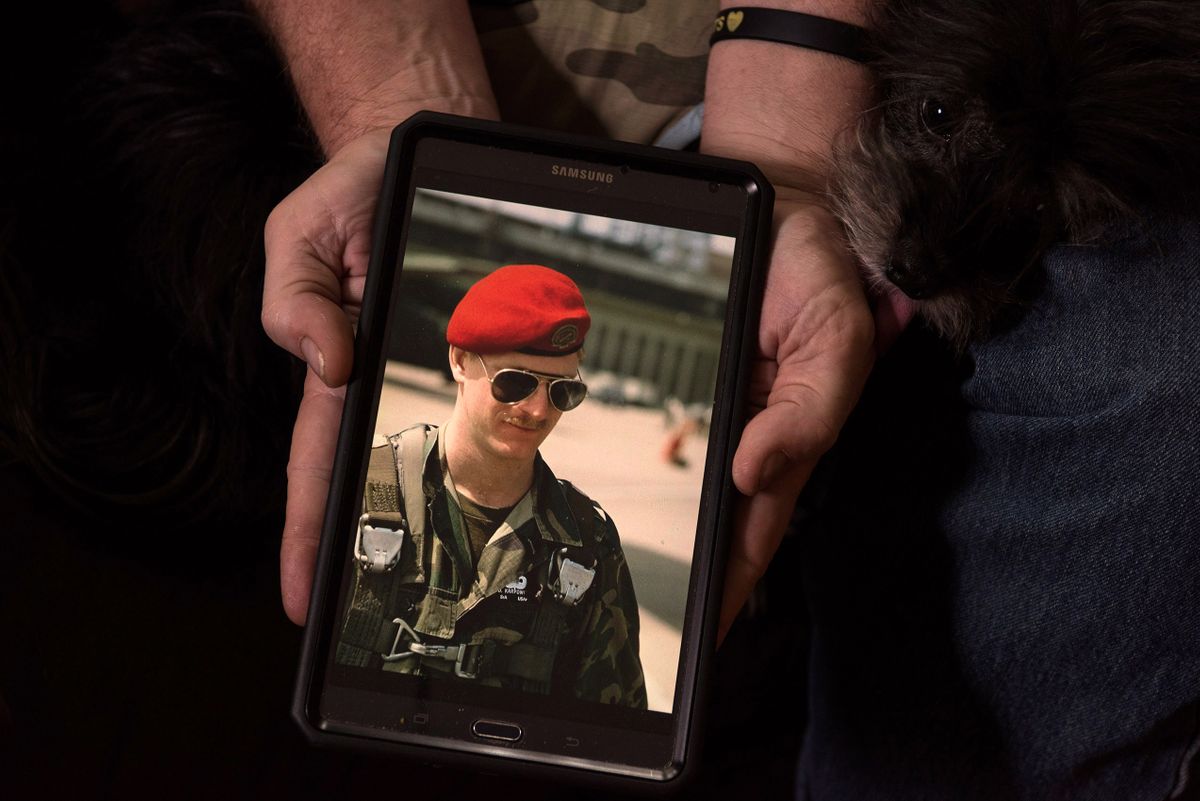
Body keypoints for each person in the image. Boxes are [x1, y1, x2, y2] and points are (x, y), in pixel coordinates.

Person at [336, 264, 646, 706]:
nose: (538, 411)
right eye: (515, 383)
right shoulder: (357, 490)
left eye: (562, 392)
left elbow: (614, 725)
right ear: (460, 361)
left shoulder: (587, 543)